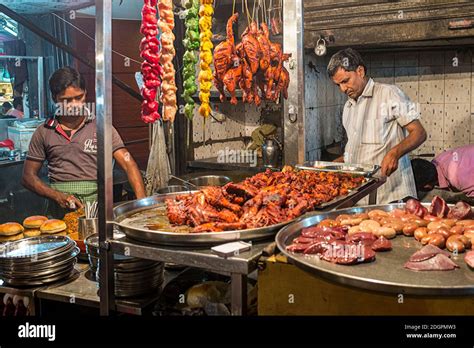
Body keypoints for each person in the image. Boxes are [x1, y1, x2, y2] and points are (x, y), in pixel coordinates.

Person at [22, 67, 146, 217]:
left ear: (86, 94)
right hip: (59, 215)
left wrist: (142, 207)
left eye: (79, 97)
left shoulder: (102, 128)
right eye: (66, 100)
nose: (74, 104)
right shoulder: (44, 132)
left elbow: (128, 164)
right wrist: (56, 195)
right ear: (54, 98)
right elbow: (28, 177)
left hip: (97, 213)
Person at [327, 48, 426, 204]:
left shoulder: (390, 93)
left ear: (360, 71)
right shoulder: (348, 108)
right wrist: (330, 167)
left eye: (345, 81)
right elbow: (355, 153)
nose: (343, 89)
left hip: (393, 196)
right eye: (338, 85)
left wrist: (394, 153)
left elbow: (419, 133)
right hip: (362, 198)